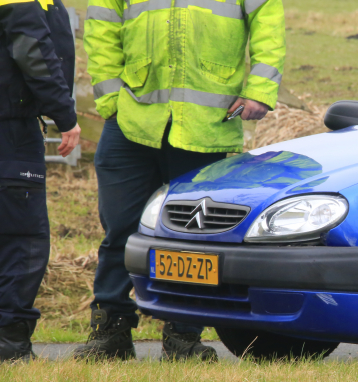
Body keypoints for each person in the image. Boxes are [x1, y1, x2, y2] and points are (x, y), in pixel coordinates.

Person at [79, 0, 285, 361]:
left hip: (205, 125)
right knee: (120, 230)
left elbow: (269, 27)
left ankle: (183, 336)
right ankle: (110, 331)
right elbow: (101, 29)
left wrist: (260, 90)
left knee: (192, 237)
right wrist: (111, 100)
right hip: (131, 121)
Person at [0, 0, 81, 362]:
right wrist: (64, 114)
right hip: (10, 129)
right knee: (22, 237)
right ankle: (9, 342)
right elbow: (31, 49)